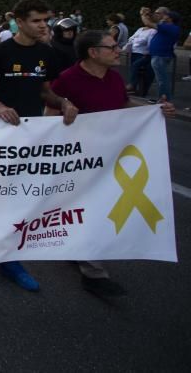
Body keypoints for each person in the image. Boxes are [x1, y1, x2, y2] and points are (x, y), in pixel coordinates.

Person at [50, 30, 175, 297]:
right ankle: (94, 273)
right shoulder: (68, 80)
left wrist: (154, 110)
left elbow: (124, 104)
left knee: (95, 209)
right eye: (112, 47)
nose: (118, 50)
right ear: (93, 52)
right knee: (88, 209)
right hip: (79, 160)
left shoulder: (114, 78)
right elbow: (49, 118)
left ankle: (77, 250)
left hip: (110, 159)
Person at [0, 0, 79, 292]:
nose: (43, 25)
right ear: (19, 22)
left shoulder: (47, 53)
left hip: (31, 137)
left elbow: (45, 90)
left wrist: (63, 102)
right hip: (0, 133)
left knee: (20, 198)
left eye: (45, 20)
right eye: (37, 20)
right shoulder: (0, 51)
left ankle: (12, 261)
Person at [143, 7, 181, 103]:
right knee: (161, 78)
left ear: (170, 18)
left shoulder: (169, 27)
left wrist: (142, 14)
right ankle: (162, 98)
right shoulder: (169, 26)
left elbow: (148, 23)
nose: (163, 17)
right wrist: (149, 14)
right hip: (160, 55)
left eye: (166, 16)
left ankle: (164, 100)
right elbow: (155, 20)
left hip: (160, 56)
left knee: (162, 79)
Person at [123, 9, 155, 96]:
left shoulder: (153, 31)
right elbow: (131, 38)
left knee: (140, 69)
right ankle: (135, 88)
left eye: (147, 18)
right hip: (134, 53)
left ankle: (134, 86)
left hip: (143, 54)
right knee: (135, 71)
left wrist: (147, 52)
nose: (145, 20)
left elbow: (150, 43)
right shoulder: (140, 29)